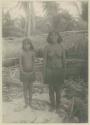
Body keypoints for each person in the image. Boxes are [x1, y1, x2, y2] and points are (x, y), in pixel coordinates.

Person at [43, 31, 65, 112]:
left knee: (58, 90)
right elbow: (44, 62)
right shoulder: (46, 47)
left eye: (55, 35)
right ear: (49, 37)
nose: (53, 37)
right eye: (51, 36)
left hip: (59, 70)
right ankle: (52, 105)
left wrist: (64, 72)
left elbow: (64, 61)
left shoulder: (61, 47)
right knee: (51, 89)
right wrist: (44, 74)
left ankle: (58, 104)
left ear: (58, 37)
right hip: (50, 71)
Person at [19, 38, 35, 108]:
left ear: (30, 45)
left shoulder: (32, 52)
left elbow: (34, 62)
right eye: (25, 44)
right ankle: (26, 103)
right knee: (25, 88)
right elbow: (20, 64)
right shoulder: (21, 53)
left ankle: (30, 102)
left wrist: (33, 70)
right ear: (23, 45)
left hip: (31, 73)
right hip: (24, 73)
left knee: (31, 88)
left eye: (28, 44)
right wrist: (22, 71)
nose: (26, 46)